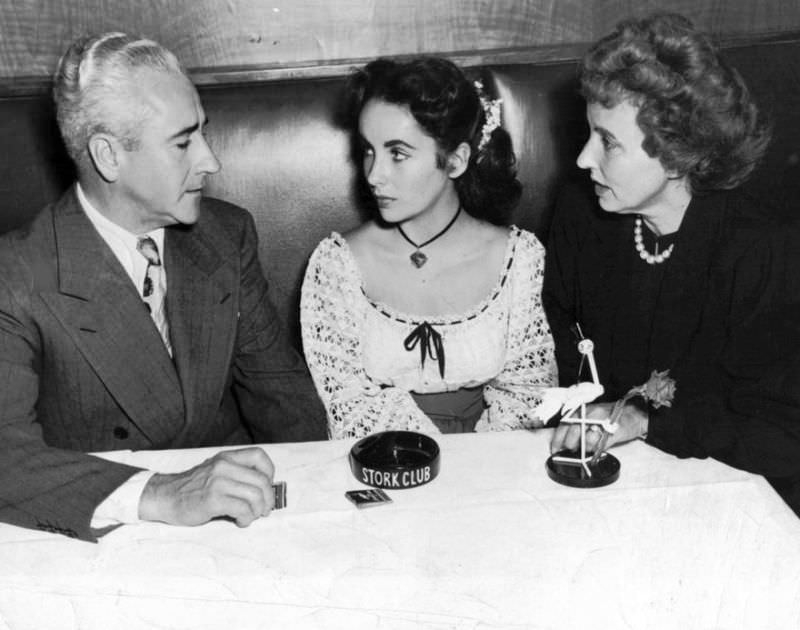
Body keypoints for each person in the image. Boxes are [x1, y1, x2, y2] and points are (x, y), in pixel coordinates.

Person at [0, 33, 327, 541]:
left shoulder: (226, 234)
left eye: (203, 133)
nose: (210, 161)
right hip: (98, 534)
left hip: (233, 526)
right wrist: (164, 494)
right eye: (182, 143)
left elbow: (282, 397)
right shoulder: (15, 275)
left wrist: (322, 507)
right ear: (108, 156)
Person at [544, 13, 800, 513]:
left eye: (608, 142)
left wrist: (646, 422)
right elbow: (566, 351)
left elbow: (781, 431)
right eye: (589, 133)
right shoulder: (582, 215)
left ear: (678, 153)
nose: (582, 159)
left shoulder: (763, 250)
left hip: (736, 494)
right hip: (608, 482)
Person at [300, 56, 557, 439]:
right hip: (383, 455)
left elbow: (527, 395)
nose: (374, 175)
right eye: (368, 150)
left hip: (498, 457)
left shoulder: (519, 260)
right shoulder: (338, 265)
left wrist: (478, 461)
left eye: (397, 153)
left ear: (455, 160)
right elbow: (349, 403)